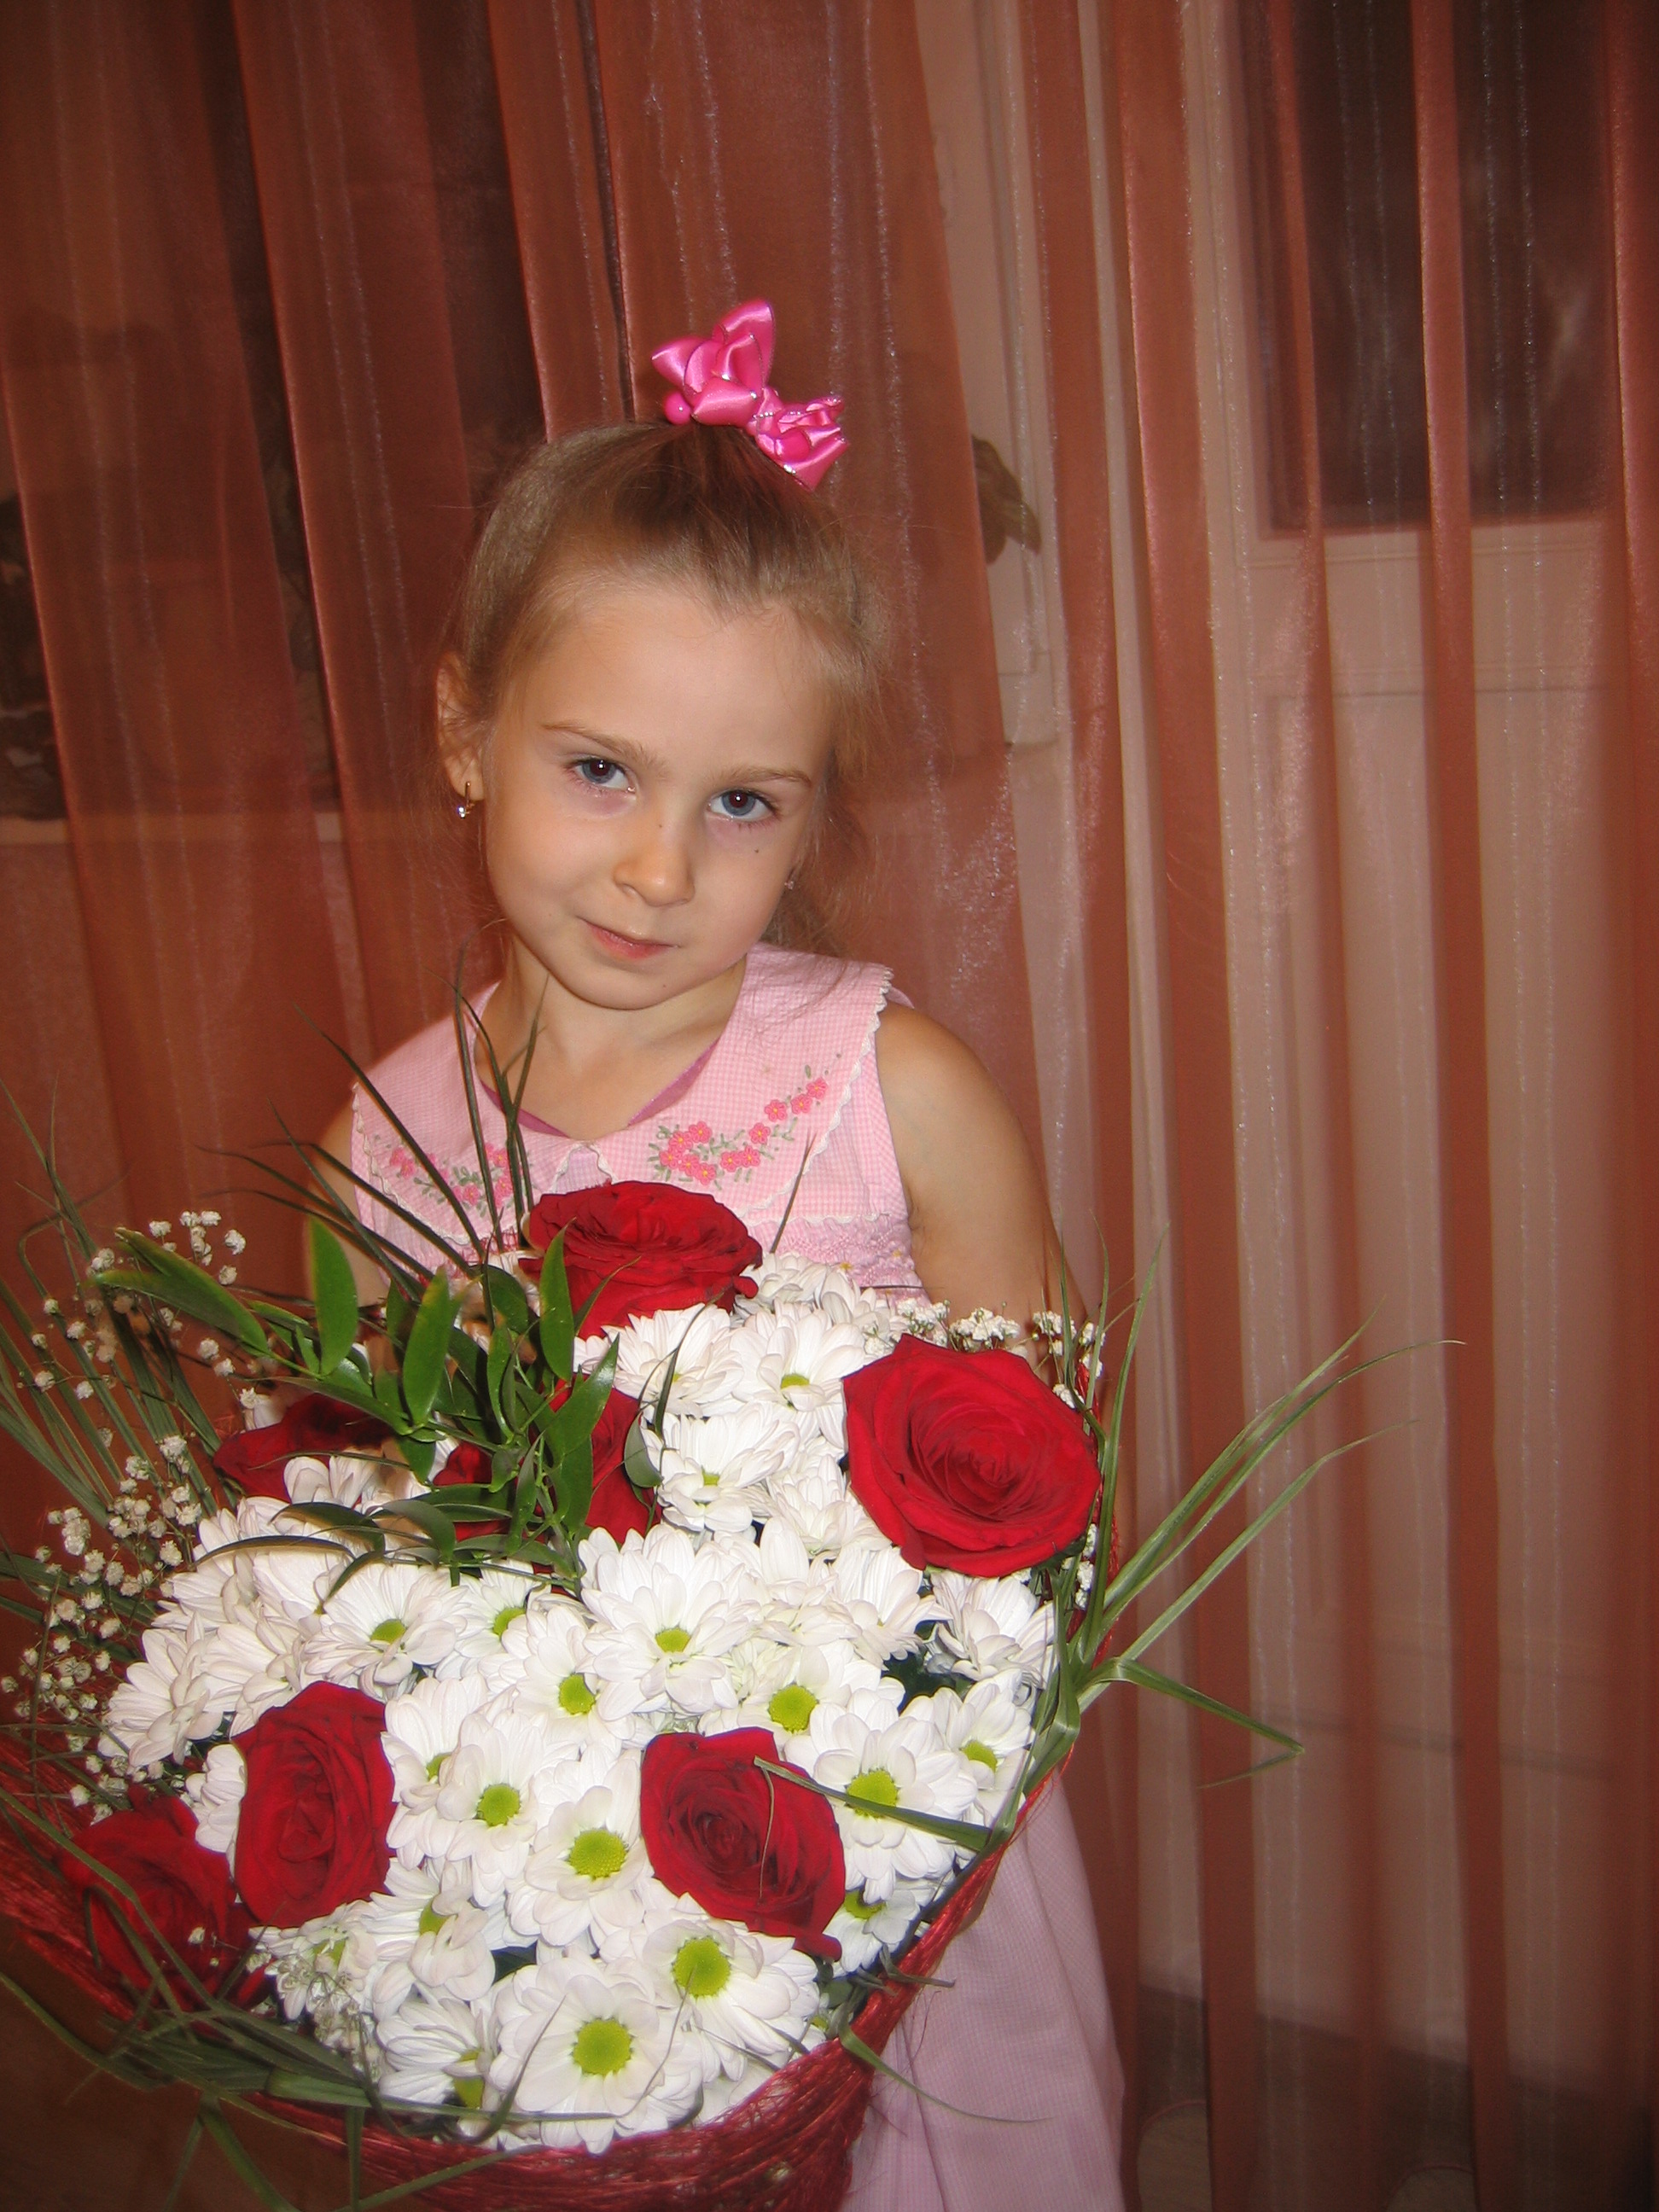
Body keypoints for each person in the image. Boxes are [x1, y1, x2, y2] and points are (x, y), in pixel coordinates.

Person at [317, 303, 1125, 2211]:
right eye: (601, 769)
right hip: (567, 1867)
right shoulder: (381, 1144)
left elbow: (1061, 1480)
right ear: (464, 729)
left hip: (892, 1834)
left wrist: (914, 1707)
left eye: (741, 802)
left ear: (814, 813)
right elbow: (371, 1537)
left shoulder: (894, 1086)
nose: (661, 869)